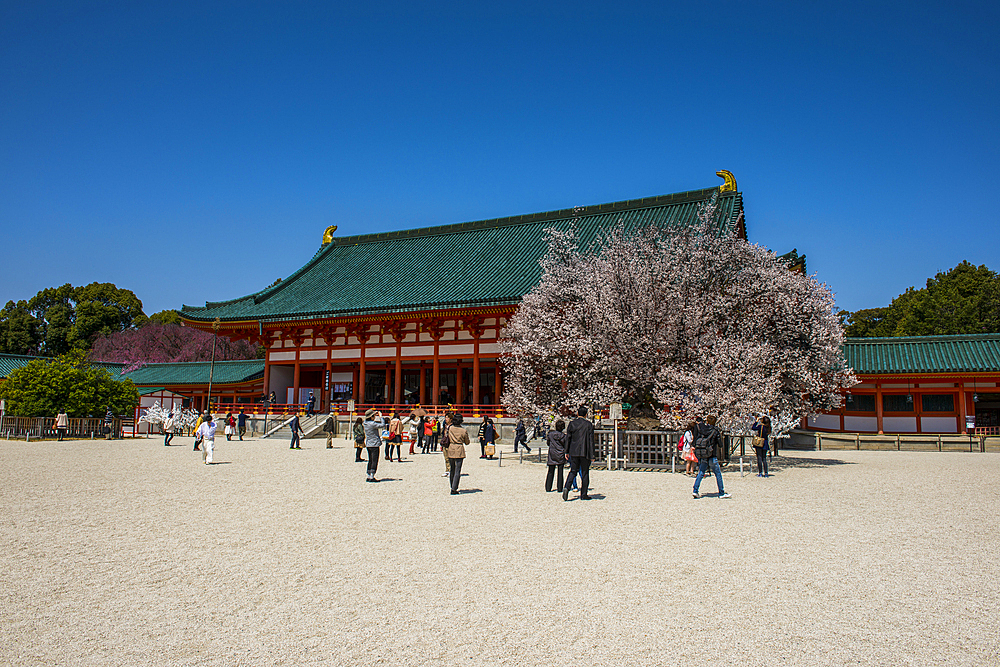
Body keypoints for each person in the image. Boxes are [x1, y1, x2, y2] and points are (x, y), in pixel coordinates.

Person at [693, 415, 731, 499]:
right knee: (717, 474)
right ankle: (721, 492)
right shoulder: (715, 431)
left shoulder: (701, 429)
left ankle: (695, 490)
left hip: (703, 454)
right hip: (712, 455)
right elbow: (720, 444)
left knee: (701, 472)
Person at [563, 407, 596, 501]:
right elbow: (591, 441)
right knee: (585, 472)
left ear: (577, 413)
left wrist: (566, 451)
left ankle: (567, 487)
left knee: (573, 471)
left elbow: (568, 438)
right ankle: (584, 494)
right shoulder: (588, 425)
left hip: (573, 451)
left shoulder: (572, 424)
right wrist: (592, 455)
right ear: (586, 414)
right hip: (585, 451)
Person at [446, 413, 470, 495]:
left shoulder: (450, 428)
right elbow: (467, 442)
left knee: (452, 469)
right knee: (457, 470)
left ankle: (452, 485)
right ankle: (454, 488)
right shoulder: (463, 430)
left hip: (451, 448)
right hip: (459, 449)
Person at [545, 419, 568, 492]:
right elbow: (565, 445)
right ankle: (560, 488)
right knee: (560, 471)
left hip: (552, 453)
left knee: (550, 471)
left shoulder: (550, 434)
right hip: (560, 453)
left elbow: (548, 443)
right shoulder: (563, 436)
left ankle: (548, 487)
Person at [362, 409, 383, 482]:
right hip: (374, 444)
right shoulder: (373, 424)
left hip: (368, 443)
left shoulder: (365, 423)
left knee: (370, 460)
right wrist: (381, 417)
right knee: (374, 460)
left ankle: (368, 475)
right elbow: (382, 425)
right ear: (371, 417)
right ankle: (372, 476)